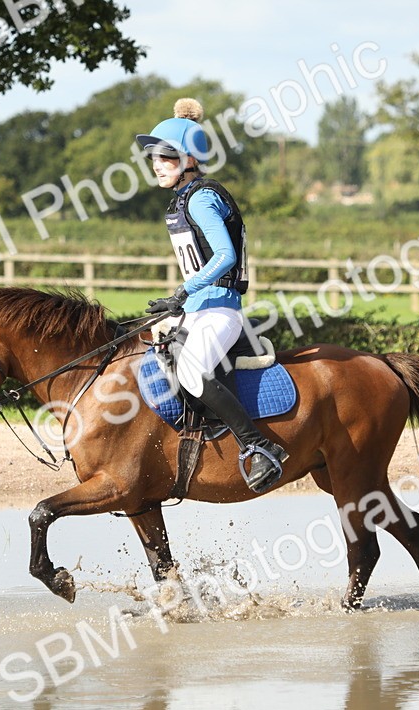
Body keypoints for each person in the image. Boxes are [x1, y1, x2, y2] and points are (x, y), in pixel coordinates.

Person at [137, 98, 288, 493]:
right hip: (196, 310)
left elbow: (225, 256)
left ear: (190, 159)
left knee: (190, 371)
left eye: (166, 157)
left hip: (220, 310)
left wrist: (183, 291)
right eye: (153, 156)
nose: (157, 163)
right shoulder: (182, 201)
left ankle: (258, 445)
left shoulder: (202, 197)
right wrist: (178, 302)